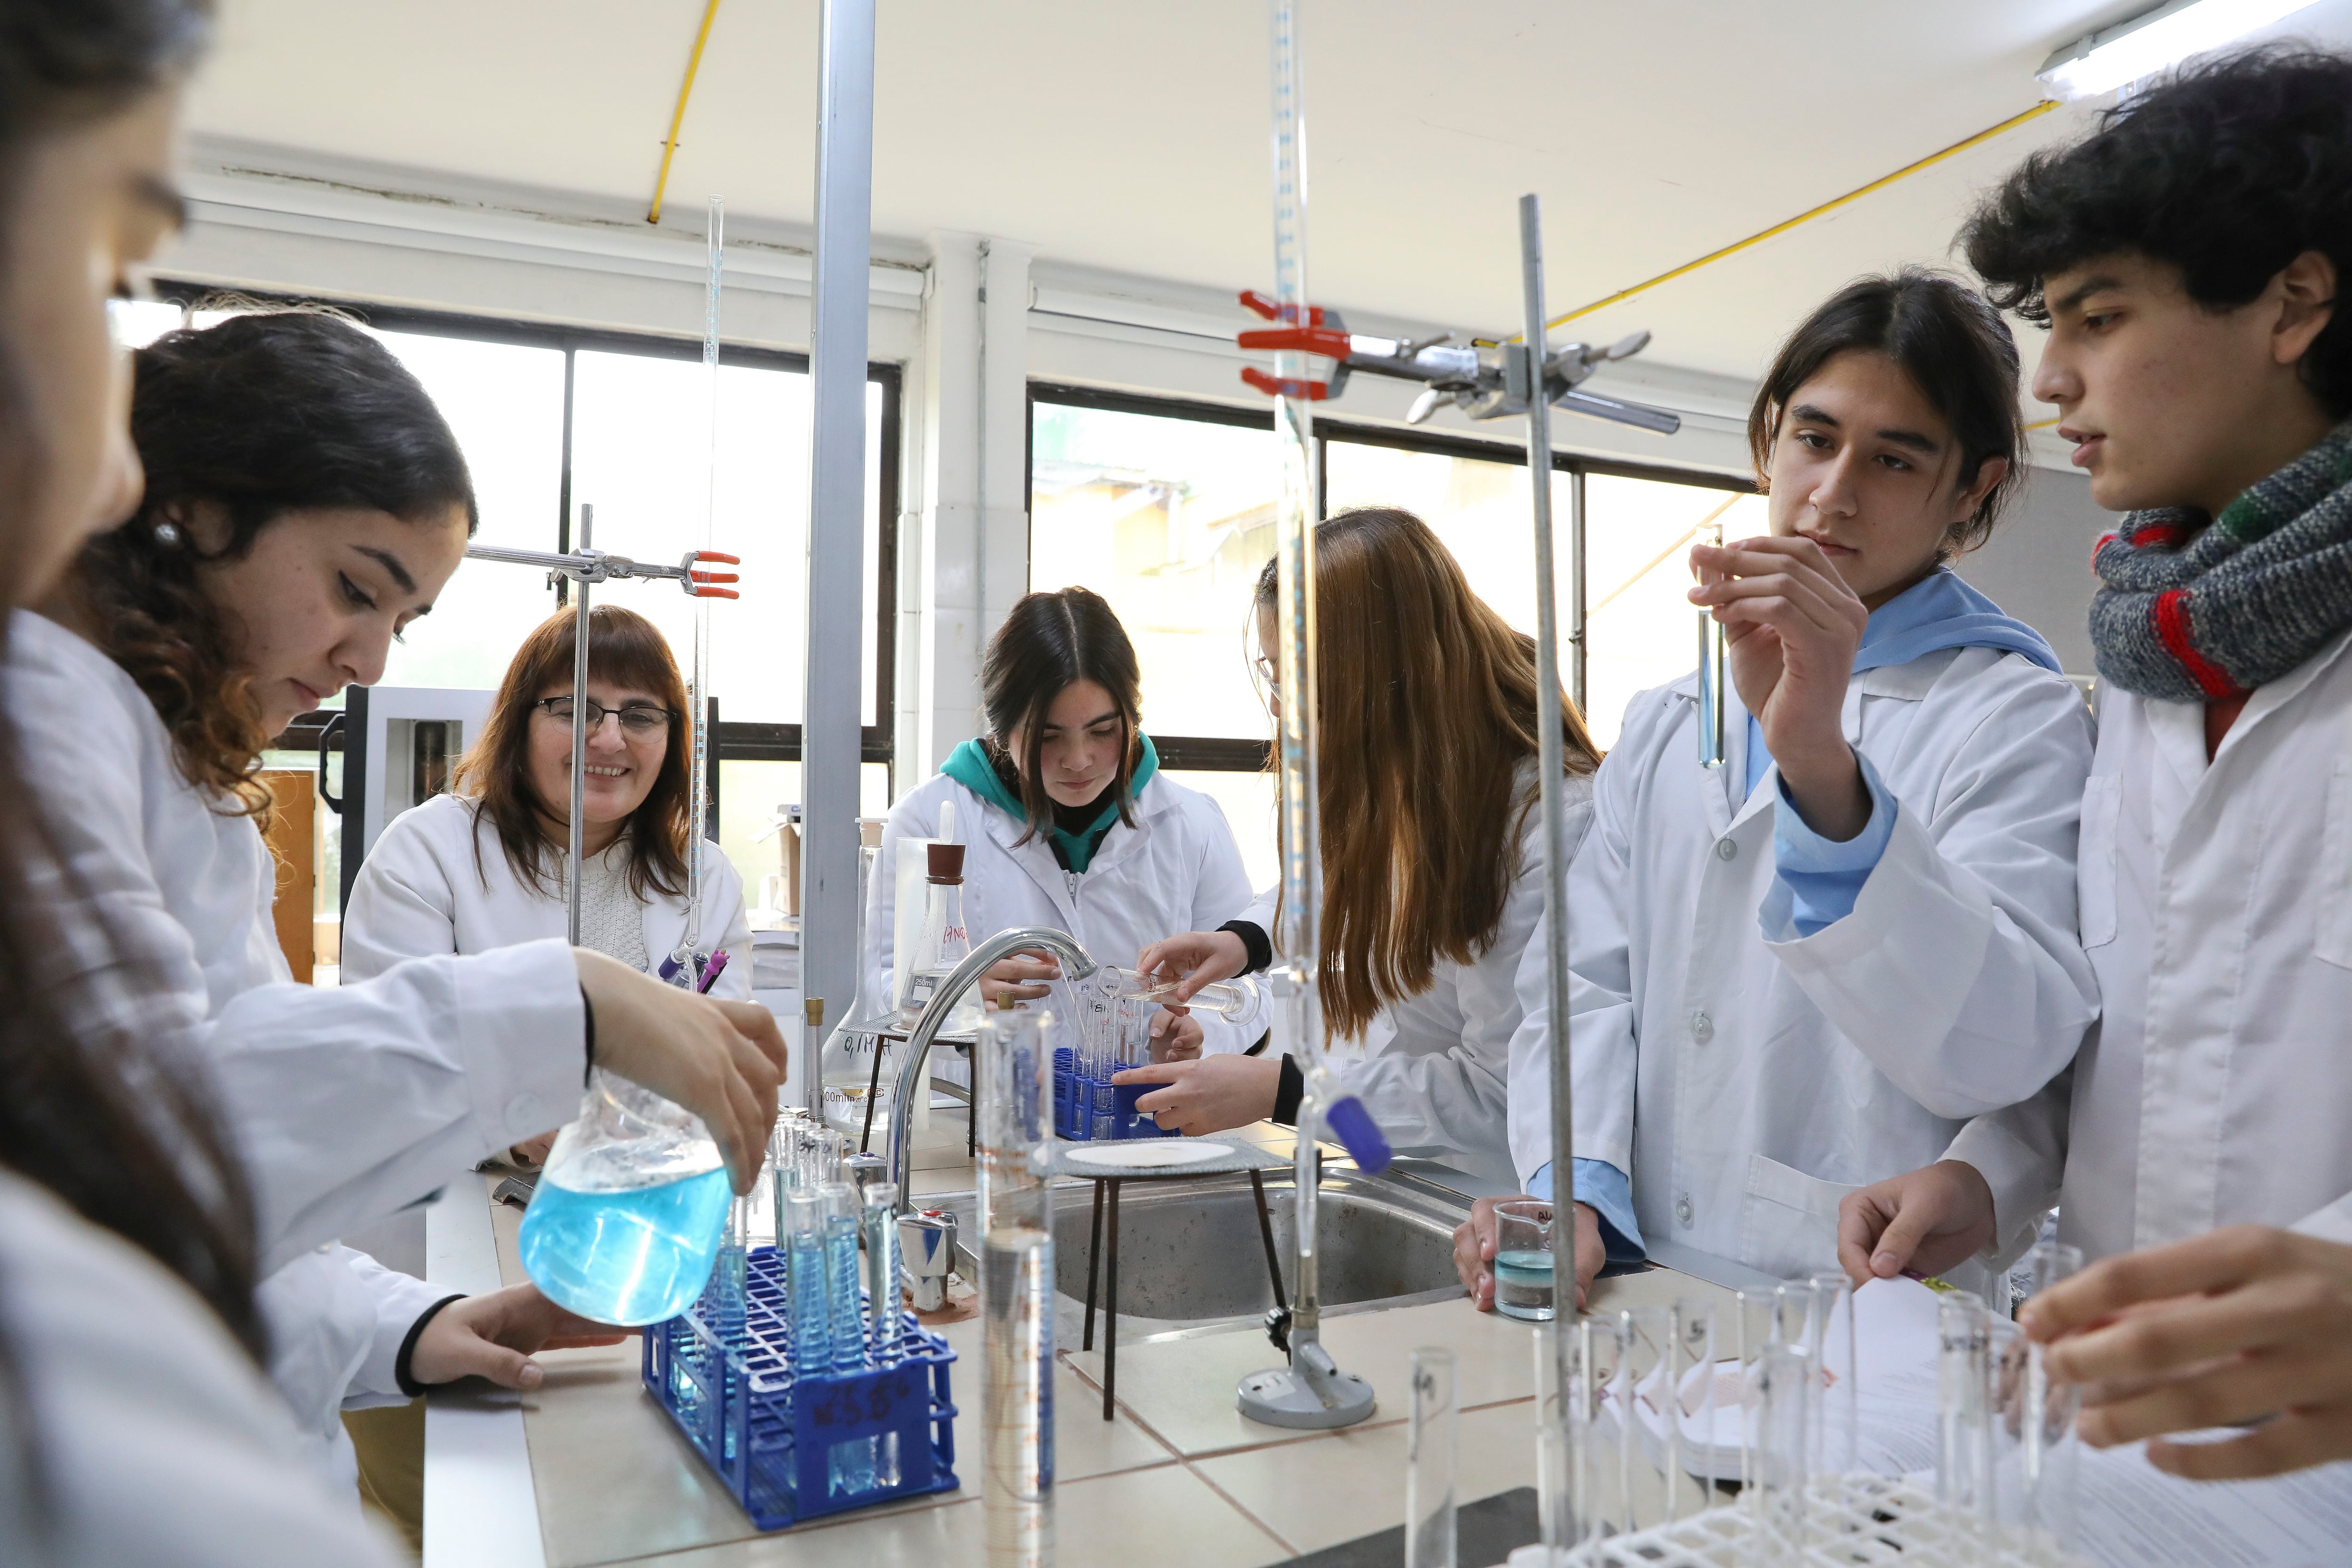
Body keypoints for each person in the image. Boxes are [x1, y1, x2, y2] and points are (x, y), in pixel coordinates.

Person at [18, 307, 784, 1520]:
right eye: (354, 589)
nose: (367, 661)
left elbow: (221, 1217)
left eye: (402, 621)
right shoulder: (42, 707)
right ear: (200, 508)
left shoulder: (170, 770)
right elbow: (119, 1173)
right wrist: (570, 1004)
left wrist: (419, 1327)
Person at [1838, 48, 2352, 1481]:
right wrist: (1982, 1172)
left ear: (2292, 305)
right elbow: (2119, 1028)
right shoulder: (2144, 668)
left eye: (2095, 318)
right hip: (2113, 1449)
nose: (2050, 378)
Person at [1450, 270, 2098, 1310]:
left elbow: (2008, 1050)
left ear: (1971, 489)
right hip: (1643, 1276)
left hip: (1864, 1296)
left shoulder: (2008, 717)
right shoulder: (1671, 718)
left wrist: (1819, 768)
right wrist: (1574, 1184)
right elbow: (1584, 986)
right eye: (1814, 438)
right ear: (1767, 439)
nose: (1834, 492)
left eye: (1893, 458)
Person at [1112, 508, 1601, 1190]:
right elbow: (1354, 880)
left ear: (1379, 674)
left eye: (1298, 679)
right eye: (1274, 674)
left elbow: (1504, 1092)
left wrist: (1282, 1091)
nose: (1282, 708)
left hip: (1505, 1191)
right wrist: (1248, 939)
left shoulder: (1539, 825)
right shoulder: (1411, 774)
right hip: (1394, 1154)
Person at [864, 586, 1260, 1062]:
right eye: (1047, 736)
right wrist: (954, 999)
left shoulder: (1190, 823)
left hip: (1143, 1123)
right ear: (1000, 725)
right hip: (979, 1121)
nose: (1078, 760)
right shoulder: (928, 819)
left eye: (1102, 731)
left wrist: (1197, 1032)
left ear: (1131, 720)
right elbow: (882, 982)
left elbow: (1247, 989)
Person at [345, 600, 755, 1039]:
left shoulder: (704, 877)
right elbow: (398, 1052)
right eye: (574, 710)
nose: (610, 739)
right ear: (519, 725)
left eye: (640, 717)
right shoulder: (426, 852)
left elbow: (723, 1064)